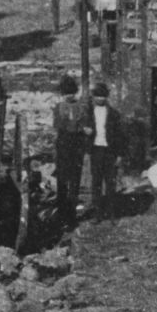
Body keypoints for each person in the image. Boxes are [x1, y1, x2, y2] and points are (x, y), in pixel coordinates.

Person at [52, 74, 89, 226]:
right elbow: (58, 127)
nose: (69, 96)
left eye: (71, 93)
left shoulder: (81, 107)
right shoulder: (58, 108)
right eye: (66, 93)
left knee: (74, 182)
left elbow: (84, 126)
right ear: (62, 94)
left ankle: (71, 216)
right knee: (62, 181)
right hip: (63, 147)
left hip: (75, 147)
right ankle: (62, 214)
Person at [88, 81, 124, 220]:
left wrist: (120, 154)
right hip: (96, 150)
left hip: (110, 152)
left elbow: (120, 135)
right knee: (96, 182)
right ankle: (97, 213)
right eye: (97, 96)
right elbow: (82, 128)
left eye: (103, 96)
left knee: (110, 183)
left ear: (106, 97)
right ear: (94, 97)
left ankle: (111, 213)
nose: (100, 99)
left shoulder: (114, 114)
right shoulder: (89, 112)